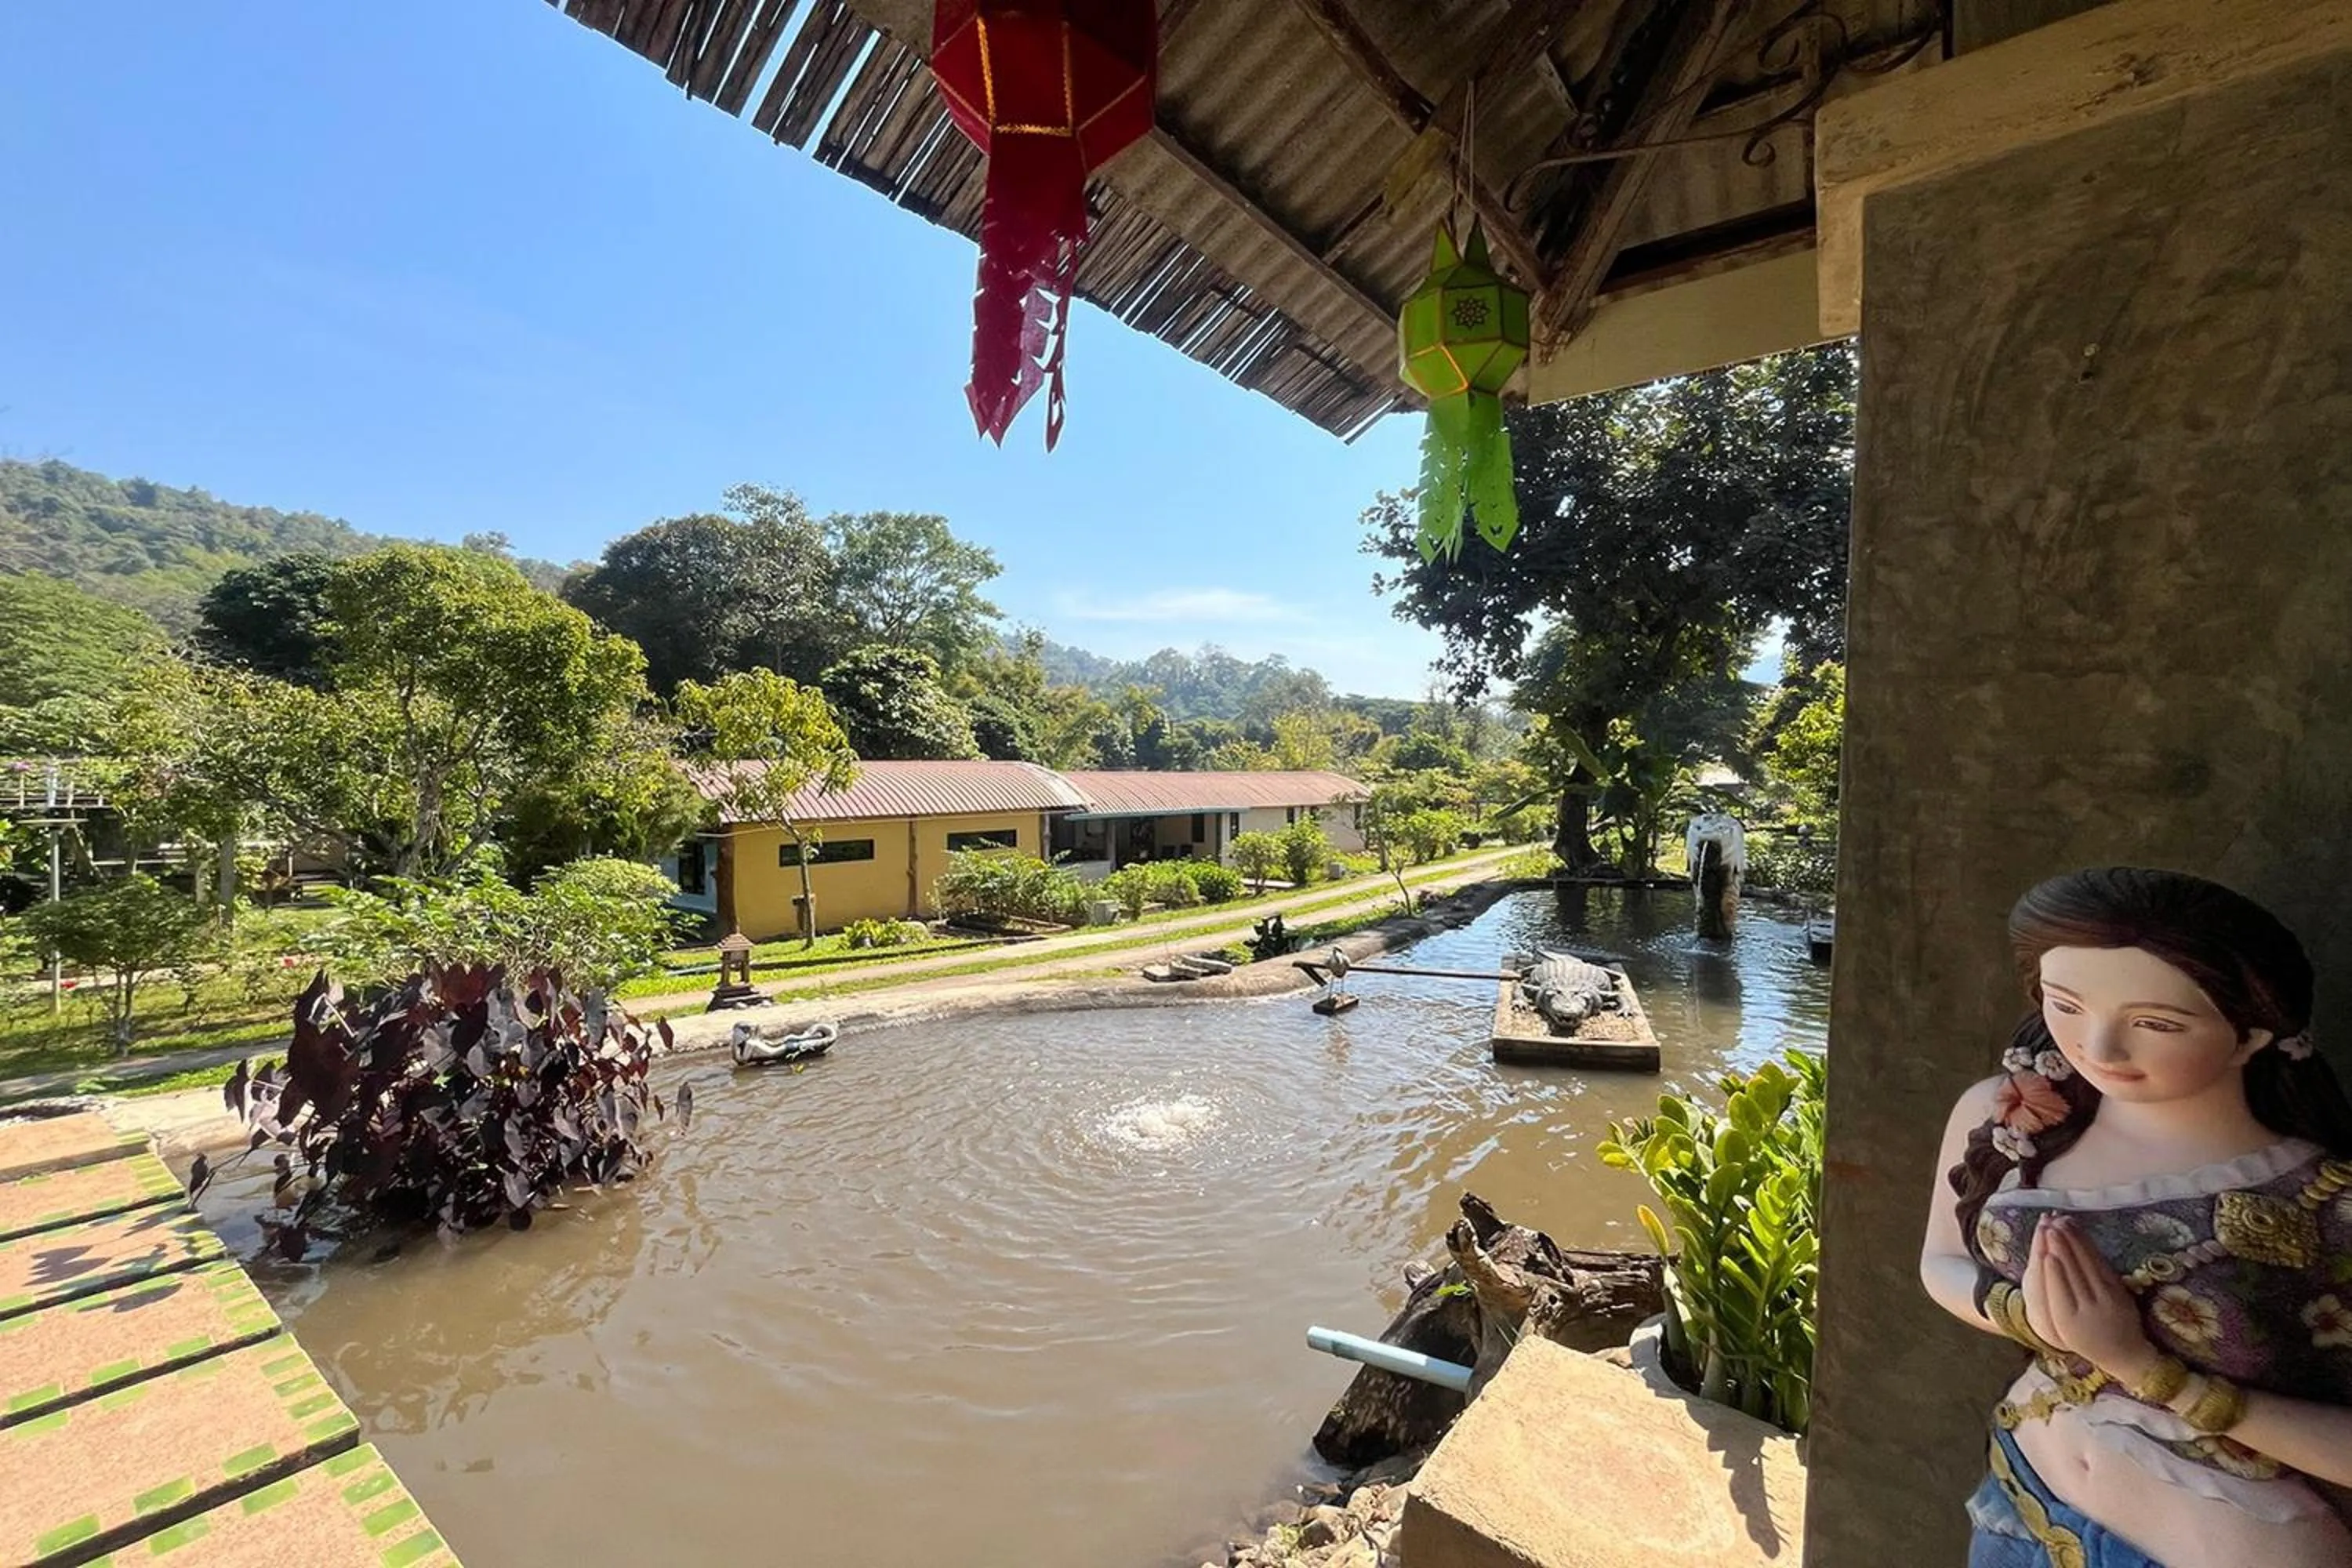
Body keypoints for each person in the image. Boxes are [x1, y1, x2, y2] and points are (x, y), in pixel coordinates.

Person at [1918, 867, 2352, 1567]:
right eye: (2066, 1006)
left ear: (2252, 1035)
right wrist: (2028, 1315)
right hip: (2021, 1496)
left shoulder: (2323, 1202)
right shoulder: (2008, 1118)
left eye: (2156, 1024)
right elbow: (1940, 1261)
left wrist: (2147, 1369)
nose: (2099, 1049)